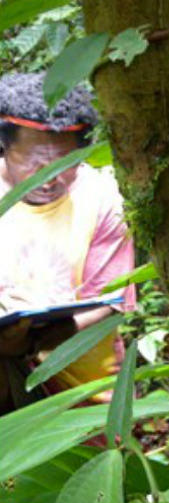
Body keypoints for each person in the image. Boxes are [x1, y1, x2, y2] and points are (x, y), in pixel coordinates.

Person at [0, 73, 135, 414]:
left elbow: (111, 300)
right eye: (33, 163)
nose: (50, 178)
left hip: (84, 384)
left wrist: (31, 342)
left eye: (65, 164)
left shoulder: (102, 198)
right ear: (5, 148)